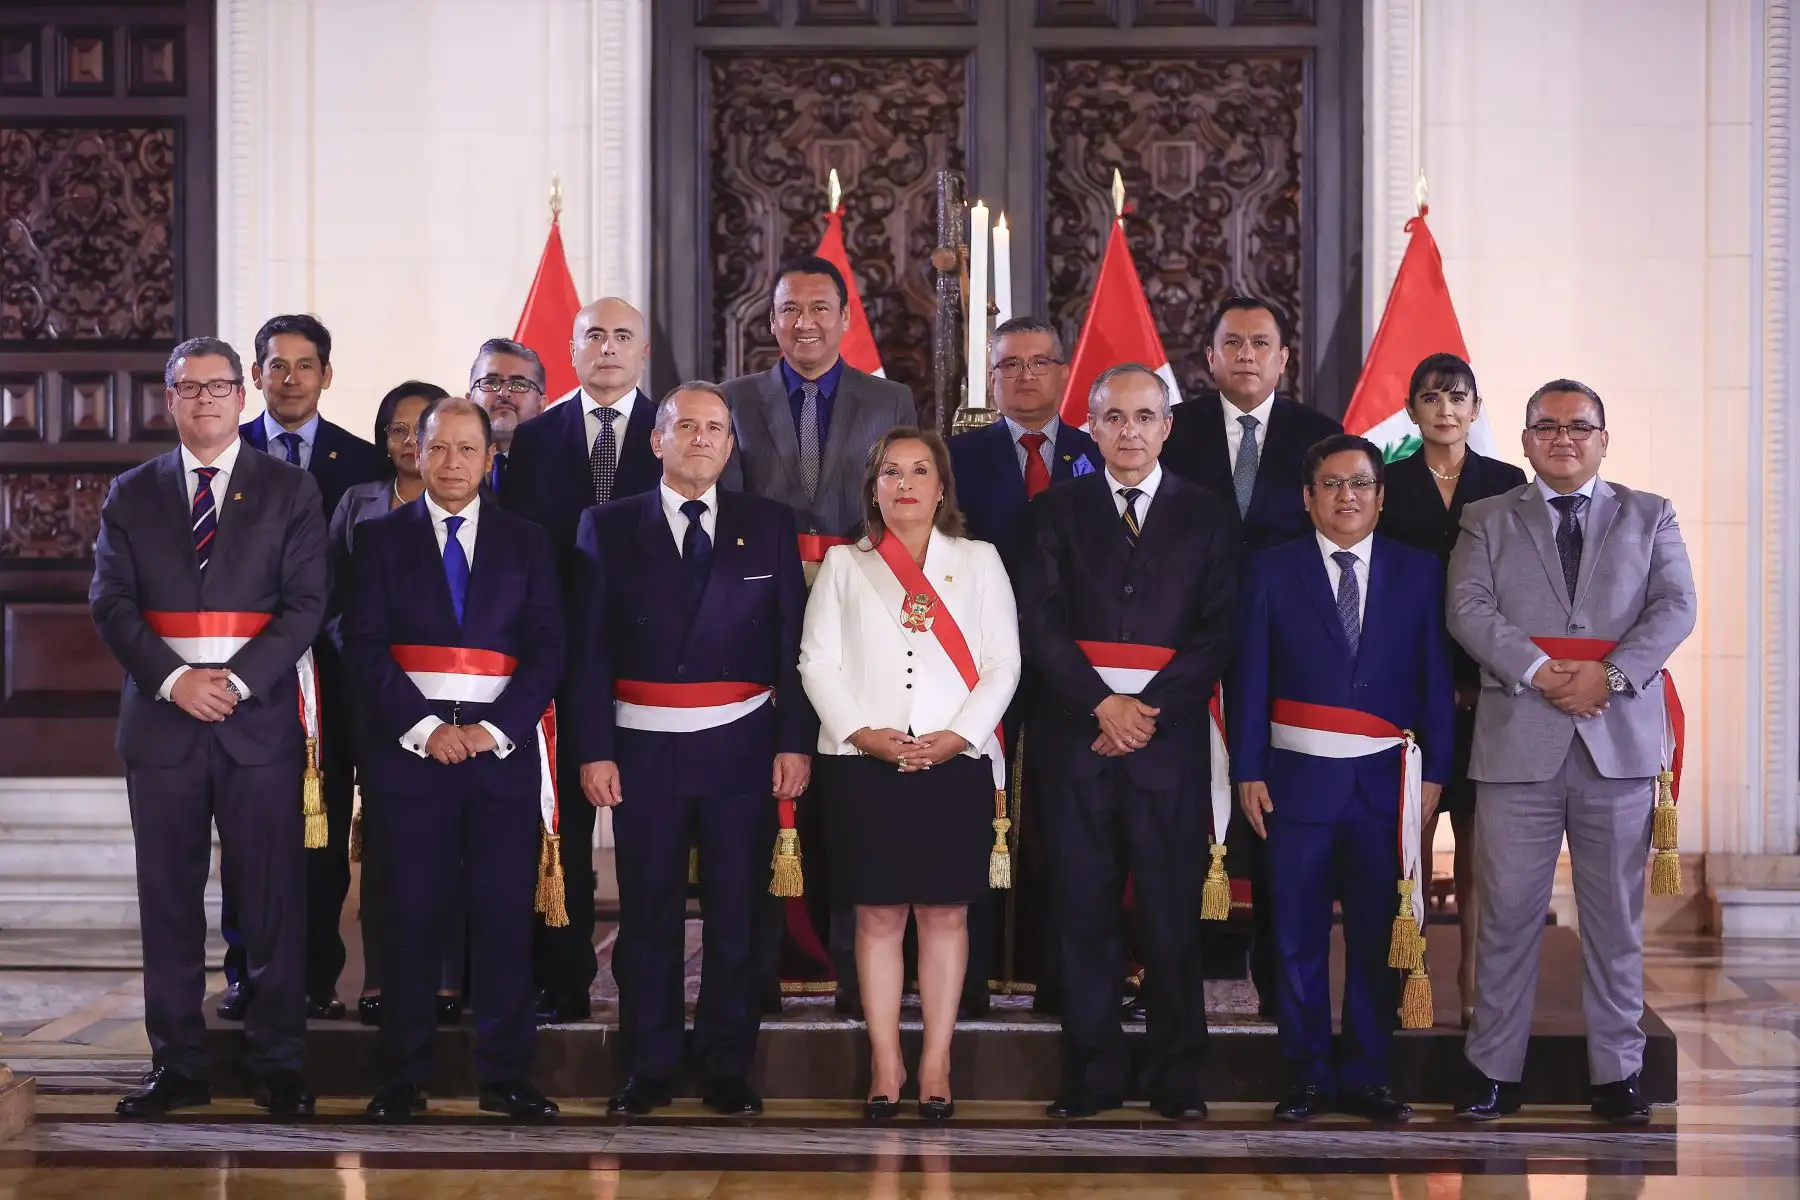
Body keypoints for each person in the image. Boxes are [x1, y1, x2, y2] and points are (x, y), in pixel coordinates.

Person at [90, 336, 326, 1118]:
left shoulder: (291, 490)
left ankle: (279, 1063)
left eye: (219, 387)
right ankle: (179, 1065)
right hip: (162, 728)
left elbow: (304, 606)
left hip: (256, 724)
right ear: (170, 399)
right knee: (168, 901)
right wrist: (174, 681)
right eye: (189, 389)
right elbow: (111, 605)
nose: (205, 401)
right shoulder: (131, 492)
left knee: (270, 904)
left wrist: (234, 683)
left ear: (243, 395)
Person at [1448, 380, 1696, 1124]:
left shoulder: (1652, 514)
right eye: (1546, 427)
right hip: (1519, 740)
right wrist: (1537, 671)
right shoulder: (1487, 518)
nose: (1563, 438)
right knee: (1506, 918)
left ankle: (1617, 1074)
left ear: (1604, 438)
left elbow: (1676, 605)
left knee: (1615, 921)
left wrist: (1609, 675)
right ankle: (1493, 1069)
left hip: (1616, 744)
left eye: (1579, 427)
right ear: (1524, 441)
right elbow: (1466, 607)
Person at [568, 382, 813, 1117]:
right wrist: (594, 749)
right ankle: (649, 1064)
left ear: (731, 445)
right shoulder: (606, 525)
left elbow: (790, 643)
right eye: (685, 426)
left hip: (742, 747)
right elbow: (589, 650)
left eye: (715, 428)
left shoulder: (769, 524)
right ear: (656, 439)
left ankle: (726, 1066)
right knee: (649, 915)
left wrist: (794, 741)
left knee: (739, 912)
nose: (701, 438)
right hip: (644, 748)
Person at [1017, 364, 1238, 1120]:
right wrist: (1101, 705)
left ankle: (1178, 1074)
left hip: (1167, 744)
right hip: (1076, 739)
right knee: (1083, 914)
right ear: (1092, 425)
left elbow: (1217, 633)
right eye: (1115, 418)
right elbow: (1038, 625)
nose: (1131, 433)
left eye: (1146, 417)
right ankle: (1092, 1072)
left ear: (1167, 426)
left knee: (1172, 914)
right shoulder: (1054, 511)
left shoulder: (1209, 515)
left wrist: (1145, 711)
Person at [341, 395, 564, 1124]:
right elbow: (364, 647)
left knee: (501, 918)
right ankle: (402, 1077)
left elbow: (548, 650)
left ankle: (506, 1077)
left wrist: (494, 728)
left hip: (498, 759)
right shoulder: (378, 540)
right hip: (409, 760)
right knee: (407, 917)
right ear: (415, 451)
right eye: (437, 448)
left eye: (468, 450)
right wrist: (424, 727)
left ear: (489, 458)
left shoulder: (529, 541)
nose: (452, 463)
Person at [1231, 434, 1454, 1123]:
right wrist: (1247, 769)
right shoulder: (1270, 570)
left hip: (1385, 787)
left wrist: (1436, 772)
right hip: (1294, 783)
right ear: (1307, 497)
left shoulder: (1419, 571)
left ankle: (1366, 1075)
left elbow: (1435, 679)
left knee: (1377, 934)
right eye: (1330, 484)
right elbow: (1249, 677)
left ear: (1381, 498)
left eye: (1360, 483)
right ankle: (1305, 1075)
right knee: (1294, 935)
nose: (1346, 497)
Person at [800, 426, 1020, 1121]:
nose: (904, 484)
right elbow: (817, 662)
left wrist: (956, 738)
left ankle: (936, 1061)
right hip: (865, 763)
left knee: (945, 912)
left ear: (941, 486)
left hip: (954, 765)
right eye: (890, 472)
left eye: (919, 471)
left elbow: (1001, 665)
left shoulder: (979, 560)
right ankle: (886, 1060)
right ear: (873, 488)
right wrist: (865, 734)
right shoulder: (844, 565)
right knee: (878, 914)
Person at [722, 254, 919, 1015]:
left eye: (819, 308)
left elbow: (902, 504)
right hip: (760, 617)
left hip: (859, 616)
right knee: (763, 799)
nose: (804, 322)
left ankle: (855, 976)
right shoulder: (734, 400)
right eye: (788, 309)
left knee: (851, 799)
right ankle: (758, 975)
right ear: (770, 320)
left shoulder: (889, 396)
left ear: (844, 317)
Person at [1157, 295, 1342, 1018]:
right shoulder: (1174, 431)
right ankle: (1170, 981)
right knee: (1181, 812)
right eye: (1230, 343)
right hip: (1183, 650)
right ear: (1207, 358)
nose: (1245, 355)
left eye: (1260, 343)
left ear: (1282, 357)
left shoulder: (1320, 437)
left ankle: (1277, 986)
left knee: (1274, 822)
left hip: (1288, 656)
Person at [221, 313, 384, 1023]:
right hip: (243, 678)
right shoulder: (223, 451)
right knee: (248, 829)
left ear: (327, 375)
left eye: (305, 365)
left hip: (332, 676)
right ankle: (244, 974)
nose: (290, 379)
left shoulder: (361, 461)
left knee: (320, 831)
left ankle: (317, 976)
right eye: (276, 366)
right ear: (255, 375)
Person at [503, 296, 660, 1024]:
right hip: (561, 660)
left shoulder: (680, 428)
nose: (607, 347)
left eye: (621, 335)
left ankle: (646, 993)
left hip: (659, 664)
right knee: (557, 826)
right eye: (593, 334)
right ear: (569, 349)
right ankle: (562, 983)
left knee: (651, 834)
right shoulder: (533, 440)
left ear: (643, 351)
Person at [947, 315, 1099, 1015]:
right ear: (991, 373)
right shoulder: (955, 456)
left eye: (1041, 362)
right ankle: (969, 983)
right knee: (976, 826)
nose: (1027, 375)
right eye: (1011, 364)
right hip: (973, 668)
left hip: (1074, 672)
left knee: (1064, 830)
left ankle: (1057, 980)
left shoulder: (1098, 449)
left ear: (1065, 372)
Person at [1376, 354, 1526, 1024]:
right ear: (1412, 409)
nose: (1445, 409)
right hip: (1406, 679)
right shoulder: (1387, 479)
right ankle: (1413, 981)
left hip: (1487, 681)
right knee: (1410, 837)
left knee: (1478, 843)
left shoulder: (1506, 481)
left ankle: (1472, 987)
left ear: (1475, 409)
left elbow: (1519, 587)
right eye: (1431, 397)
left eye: (1457, 397)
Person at [324, 381, 469, 1029]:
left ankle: (449, 976)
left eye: (424, 430)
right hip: (374, 694)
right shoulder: (360, 504)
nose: (411, 444)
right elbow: (331, 596)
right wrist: (370, 659)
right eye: (398, 432)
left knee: (456, 843)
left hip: (460, 705)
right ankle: (383, 976)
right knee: (384, 843)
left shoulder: (478, 508)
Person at [468, 338, 547, 494]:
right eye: (490, 382)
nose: (503, 393)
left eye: (519, 384)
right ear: (469, 400)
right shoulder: (446, 466)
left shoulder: (565, 469)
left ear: (541, 404)